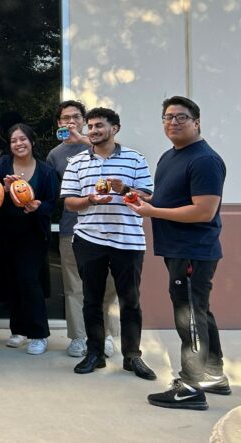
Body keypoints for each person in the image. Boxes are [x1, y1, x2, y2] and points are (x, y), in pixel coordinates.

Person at [128, 96, 229, 410]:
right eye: (167, 117)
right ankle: (213, 375)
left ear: (197, 122)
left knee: (190, 317)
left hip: (193, 251)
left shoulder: (205, 160)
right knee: (199, 311)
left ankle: (190, 386)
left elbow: (203, 211)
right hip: (179, 249)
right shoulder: (171, 156)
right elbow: (166, 198)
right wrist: (142, 199)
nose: (173, 122)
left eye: (181, 117)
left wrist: (153, 212)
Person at [61, 107, 155, 379]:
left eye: (99, 125)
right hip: (90, 239)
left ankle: (132, 356)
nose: (93, 131)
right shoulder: (77, 162)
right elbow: (69, 203)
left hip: (128, 239)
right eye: (90, 126)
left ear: (115, 128)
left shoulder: (135, 160)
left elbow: (146, 198)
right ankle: (95, 353)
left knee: (130, 301)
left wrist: (123, 190)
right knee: (91, 299)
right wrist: (91, 199)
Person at [45, 100, 120, 359]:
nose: (70, 122)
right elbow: (55, 194)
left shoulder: (103, 144)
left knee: (107, 283)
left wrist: (85, 140)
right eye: (65, 118)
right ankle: (78, 337)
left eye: (76, 117)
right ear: (58, 123)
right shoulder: (55, 155)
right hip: (71, 226)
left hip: (107, 226)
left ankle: (106, 334)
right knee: (74, 285)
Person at [0, 123, 59, 355]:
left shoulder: (46, 171)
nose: (18, 144)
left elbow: (53, 202)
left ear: (32, 142)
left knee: (29, 280)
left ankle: (39, 333)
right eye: (13, 140)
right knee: (12, 281)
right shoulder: (1, 166)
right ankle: (18, 330)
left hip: (33, 234)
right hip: (5, 234)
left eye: (23, 139)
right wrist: (3, 186)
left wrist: (40, 206)